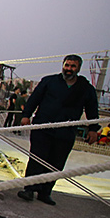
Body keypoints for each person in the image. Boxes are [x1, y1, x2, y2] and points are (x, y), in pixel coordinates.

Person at [16, 54, 99, 206]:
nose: (69, 69)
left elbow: (92, 109)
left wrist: (93, 129)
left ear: (78, 68)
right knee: (37, 159)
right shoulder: (49, 81)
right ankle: (29, 189)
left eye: (73, 66)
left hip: (65, 132)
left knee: (56, 163)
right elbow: (35, 99)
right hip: (43, 127)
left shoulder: (85, 88)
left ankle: (45, 192)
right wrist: (26, 115)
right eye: (67, 65)